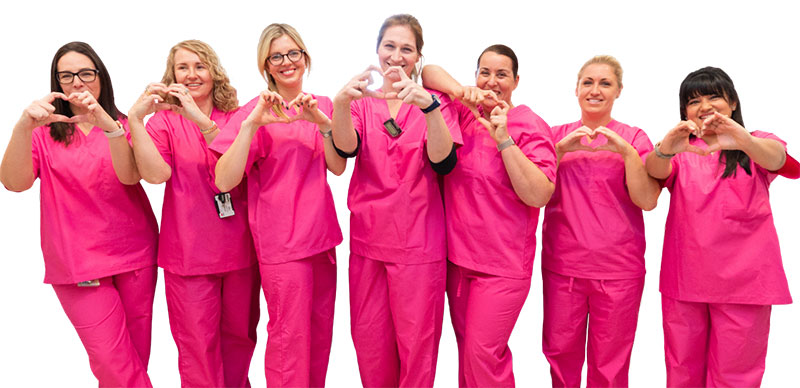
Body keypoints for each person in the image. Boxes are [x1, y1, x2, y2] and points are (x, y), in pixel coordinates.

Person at [0, 41, 158, 387]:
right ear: (56, 83)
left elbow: (131, 175)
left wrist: (110, 126)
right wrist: (23, 126)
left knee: (134, 359)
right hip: (79, 263)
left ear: (101, 77)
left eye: (86, 73)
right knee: (114, 365)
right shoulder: (43, 133)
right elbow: (14, 183)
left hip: (136, 255)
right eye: (66, 75)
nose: (77, 82)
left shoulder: (124, 124)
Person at [645, 66, 798, 387]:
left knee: (736, 377)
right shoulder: (682, 149)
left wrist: (741, 139)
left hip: (745, 284)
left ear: (732, 102)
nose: (704, 106)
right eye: (693, 100)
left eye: (714, 96)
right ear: (683, 110)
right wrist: (664, 148)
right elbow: (654, 172)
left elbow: (782, 161)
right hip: (685, 281)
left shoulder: (756, 144)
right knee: (682, 372)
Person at [330, 13, 461, 388]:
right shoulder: (361, 103)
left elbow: (444, 161)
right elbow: (346, 147)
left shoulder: (434, 103)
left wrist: (430, 109)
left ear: (418, 57)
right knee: (371, 346)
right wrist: (340, 104)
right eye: (390, 46)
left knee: (417, 350)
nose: (397, 56)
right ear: (377, 50)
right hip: (369, 244)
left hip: (418, 247)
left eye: (407, 49)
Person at [213, 23, 343, 387]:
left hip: (322, 242)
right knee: (289, 343)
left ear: (305, 58)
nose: (286, 62)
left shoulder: (322, 106)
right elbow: (224, 179)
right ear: (266, 66)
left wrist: (322, 123)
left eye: (293, 53)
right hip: (283, 247)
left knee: (318, 341)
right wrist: (251, 127)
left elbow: (337, 165)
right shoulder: (256, 111)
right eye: (277, 56)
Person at [126, 40, 260, 387]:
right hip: (188, 255)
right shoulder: (163, 123)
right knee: (197, 348)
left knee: (239, 342)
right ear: (171, 77)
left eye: (199, 66)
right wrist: (137, 122)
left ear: (214, 73)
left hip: (240, 251)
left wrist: (200, 121)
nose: (191, 75)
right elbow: (156, 175)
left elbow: (242, 167)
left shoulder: (239, 116)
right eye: (182, 68)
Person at [421, 44, 556, 387]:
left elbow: (539, 194)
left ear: (516, 81)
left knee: (483, 354)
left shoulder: (528, 124)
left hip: (502, 267)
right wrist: (460, 91)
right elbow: (428, 72)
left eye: (501, 74)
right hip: (458, 262)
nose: (492, 81)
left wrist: (504, 139)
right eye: (485, 72)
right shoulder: (465, 112)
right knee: (468, 354)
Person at [541, 55, 661, 387]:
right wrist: (560, 151)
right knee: (560, 357)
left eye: (605, 83)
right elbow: (534, 193)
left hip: (619, 270)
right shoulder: (553, 137)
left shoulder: (634, 138)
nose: (596, 90)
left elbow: (647, 200)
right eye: (588, 82)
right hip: (563, 266)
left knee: (610, 365)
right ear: (576, 89)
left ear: (619, 91)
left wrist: (626, 152)